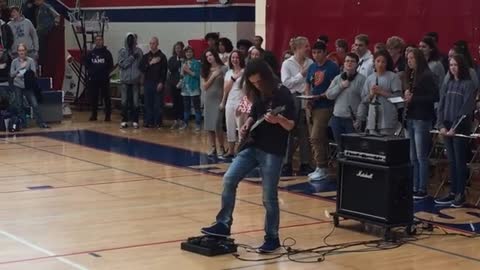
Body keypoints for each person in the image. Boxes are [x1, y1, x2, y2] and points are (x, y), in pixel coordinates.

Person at [201, 59, 295, 253]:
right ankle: (223, 224)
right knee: (229, 179)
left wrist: (278, 119)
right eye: (252, 83)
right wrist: (247, 123)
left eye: (259, 82)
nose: (256, 85)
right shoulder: (257, 91)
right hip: (252, 145)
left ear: (267, 77)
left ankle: (272, 237)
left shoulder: (283, 94)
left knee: (269, 196)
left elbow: (291, 125)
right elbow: (255, 112)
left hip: (272, 150)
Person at [435, 54, 477, 208]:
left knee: (460, 162)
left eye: (456, 65)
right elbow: (441, 106)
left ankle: (460, 194)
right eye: (451, 65)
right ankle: (452, 192)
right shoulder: (448, 84)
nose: (453, 68)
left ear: (462, 67)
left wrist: (454, 128)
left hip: (459, 129)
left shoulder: (468, 85)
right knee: (451, 162)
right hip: (446, 128)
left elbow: (466, 110)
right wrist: (441, 125)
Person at [404, 48, 439, 200]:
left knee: (421, 156)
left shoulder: (427, 75)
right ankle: (414, 185)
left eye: (412, 58)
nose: (409, 61)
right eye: (408, 58)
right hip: (411, 117)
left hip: (422, 118)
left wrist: (414, 99)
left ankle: (422, 188)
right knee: (412, 156)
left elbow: (434, 96)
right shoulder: (411, 75)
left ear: (418, 59)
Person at [304, 41, 340, 181]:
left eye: (319, 52)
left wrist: (320, 96)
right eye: (314, 52)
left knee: (316, 136)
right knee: (316, 138)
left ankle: (322, 166)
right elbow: (308, 82)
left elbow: (334, 87)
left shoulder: (332, 67)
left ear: (325, 52)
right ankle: (319, 166)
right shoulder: (312, 66)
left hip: (325, 105)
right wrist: (308, 97)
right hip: (312, 105)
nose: (316, 55)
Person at [280, 36, 313, 176]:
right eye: (306, 46)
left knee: (304, 132)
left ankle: (305, 163)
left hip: (306, 97)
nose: (308, 48)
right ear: (298, 48)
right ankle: (286, 164)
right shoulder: (287, 64)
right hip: (292, 98)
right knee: (289, 132)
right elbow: (286, 83)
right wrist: (301, 74)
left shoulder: (310, 62)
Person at [326, 53, 366, 155]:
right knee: (340, 149)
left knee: (352, 149)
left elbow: (365, 100)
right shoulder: (338, 78)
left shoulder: (362, 80)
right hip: (337, 118)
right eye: (347, 61)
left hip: (351, 120)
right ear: (343, 63)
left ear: (357, 64)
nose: (349, 63)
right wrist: (341, 86)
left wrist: (360, 118)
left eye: (352, 61)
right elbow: (329, 95)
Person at [362, 50, 402, 135]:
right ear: (374, 62)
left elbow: (399, 99)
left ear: (387, 63)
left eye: (383, 62)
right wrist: (371, 94)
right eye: (378, 61)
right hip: (372, 120)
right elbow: (364, 100)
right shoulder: (369, 78)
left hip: (387, 119)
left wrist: (382, 92)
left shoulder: (393, 77)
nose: (380, 64)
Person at [10, 43, 48, 128]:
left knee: (34, 104)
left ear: (26, 51)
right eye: (19, 50)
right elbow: (12, 74)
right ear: (17, 52)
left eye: (23, 50)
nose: (21, 52)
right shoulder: (14, 62)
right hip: (18, 85)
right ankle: (23, 123)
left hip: (28, 85)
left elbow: (34, 73)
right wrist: (20, 68)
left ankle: (41, 123)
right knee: (19, 105)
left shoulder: (30, 61)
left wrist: (23, 74)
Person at [201, 48, 228, 157]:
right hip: (209, 99)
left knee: (217, 124)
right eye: (207, 56)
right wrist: (213, 76)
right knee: (209, 125)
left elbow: (226, 86)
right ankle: (213, 148)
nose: (209, 58)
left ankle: (222, 147)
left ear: (215, 55)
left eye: (210, 55)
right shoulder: (205, 70)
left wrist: (224, 100)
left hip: (219, 99)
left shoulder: (224, 68)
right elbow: (205, 86)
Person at [220, 50, 245, 158]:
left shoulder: (245, 71)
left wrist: (244, 104)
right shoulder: (229, 73)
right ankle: (231, 150)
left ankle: (241, 151)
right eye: (233, 58)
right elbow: (226, 89)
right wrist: (234, 77)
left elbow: (247, 90)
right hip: (230, 101)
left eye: (237, 57)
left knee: (241, 126)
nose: (235, 60)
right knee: (229, 126)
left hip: (241, 101)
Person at [139, 37, 168, 128]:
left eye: (154, 43)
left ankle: (158, 122)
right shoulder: (146, 56)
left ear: (157, 44)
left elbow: (164, 71)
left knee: (158, 104)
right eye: (150, 43)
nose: (152, 45)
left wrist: (161, 82)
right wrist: (151, 63)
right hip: (148, 82)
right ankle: (148, 121)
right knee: (148, 103)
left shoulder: (162, 56)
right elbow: (142, 68)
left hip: (158, 83)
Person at [84, 35, 113, 122]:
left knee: (106, 97)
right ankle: (94, 115)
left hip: (104, 79)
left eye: (100, 40)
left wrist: (105, 72)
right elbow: (87, 64)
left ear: (103, 41)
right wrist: (91, 73)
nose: (99, 41)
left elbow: (110, 65)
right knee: (94, 97)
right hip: (93, 79)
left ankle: (107, 116)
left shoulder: (107, 53)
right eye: (97, 40)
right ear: (94, 42)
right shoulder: (91, 53)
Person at [117, 33, 143, 129]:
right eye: (129, 39)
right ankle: (124, 120)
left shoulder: (139, 51)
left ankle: (135, 120)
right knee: (124, 101)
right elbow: (122, 64)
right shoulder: (122, 51)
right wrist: (132, 57)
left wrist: (140, 76)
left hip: (135, 80)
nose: (131, 41)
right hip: (125, 80)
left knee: (136, 101)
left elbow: (141, 65)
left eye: (133, 39)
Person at [180, 46, 202, 131]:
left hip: (194, 87)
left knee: (196, 107)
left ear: (193, 53)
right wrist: (182, 72)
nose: (188, 53)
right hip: (185, 87)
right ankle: (185, 123)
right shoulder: (184, 62)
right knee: (186, 107)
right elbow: (182, 75)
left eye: (190, 52)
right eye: (187, 52)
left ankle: (198, 124)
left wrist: (188, 70)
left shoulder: (196, 62)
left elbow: (196, 75)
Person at [33, 0, 59, 67]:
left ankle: (43, 63)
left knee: (43, 49)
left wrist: (54, 25)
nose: (35, 2)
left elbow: (56, 15)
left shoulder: (47, 6)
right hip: (40, 31)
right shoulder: (37, 9)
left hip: (47, 30)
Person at [167, 41, 185, 129]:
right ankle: (175, 121)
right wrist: (178, 62)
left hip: (183, 84)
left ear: (182, 49)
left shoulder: (185, 58)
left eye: (180, 48)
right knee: (175, 103)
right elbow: (171, 68)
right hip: (173, 84)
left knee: (182, 103)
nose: (178, 49)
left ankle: (182, 121)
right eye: (176, 48)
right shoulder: (172, 59)